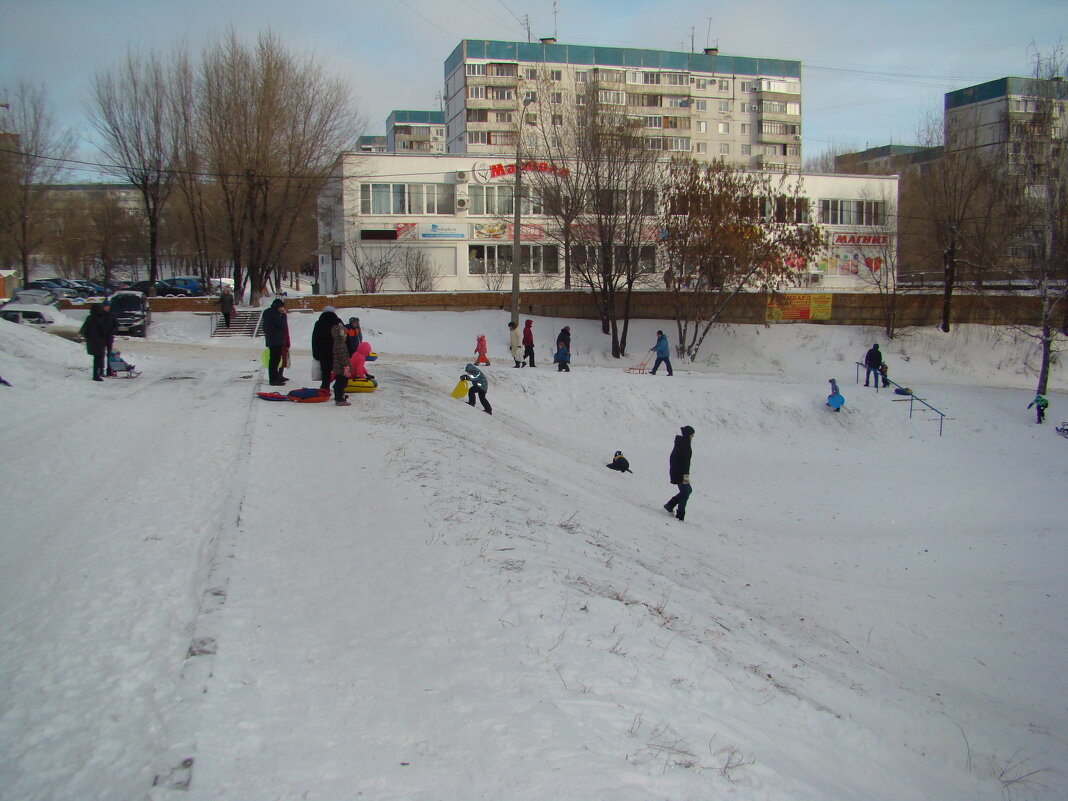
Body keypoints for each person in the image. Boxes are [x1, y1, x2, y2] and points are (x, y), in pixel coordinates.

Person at [663, 425, 694, 522]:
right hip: (680, 473)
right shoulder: (684, 444)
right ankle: (680, 515)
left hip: (678, 472)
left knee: (688, 490)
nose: (693, 437)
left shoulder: (682, 443)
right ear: (688, 435)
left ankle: (670, 505)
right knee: (685, 492)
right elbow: (684, 462)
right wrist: (685, 476)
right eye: (692, 435)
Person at [311, 307, 343, 392]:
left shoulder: (319, 323)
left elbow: (315, 339)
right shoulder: (338, 322)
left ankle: (325, 387)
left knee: (326, 370)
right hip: (337, 350)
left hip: (323, 351)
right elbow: (344, 336)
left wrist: (315, 353)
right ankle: (338, 388)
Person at [79, 303, 111, 382]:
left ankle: (97, 373)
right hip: (99, 341)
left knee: (96, 358)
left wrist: (88, 337)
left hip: (91, 341)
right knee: (98, 358)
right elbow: (102, 330)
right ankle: (96, 375)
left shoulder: (89, 318)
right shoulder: (98, 319)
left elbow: (84, 330)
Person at [262, 298, 289, 385]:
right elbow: (281, 325)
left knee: (274, 360)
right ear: (278, 307)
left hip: (271, 339)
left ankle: (275, 377)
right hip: (276, 340)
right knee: (275, 360)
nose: (282, 309)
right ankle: (274, 379)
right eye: (281, 307)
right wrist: (284, 315)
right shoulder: (275, 315)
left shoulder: (268, 313)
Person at [330, 315, 351, 406]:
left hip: (339, 367)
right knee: (341, 382)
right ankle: (339, 398)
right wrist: (346, 365)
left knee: (341, 381)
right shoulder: (340, 343)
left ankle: (340, 395)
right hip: (341, 367)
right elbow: (342, 356)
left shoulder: (338, 342)